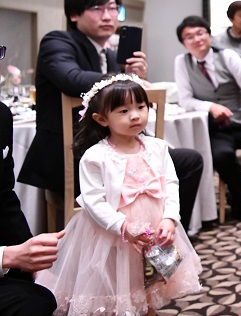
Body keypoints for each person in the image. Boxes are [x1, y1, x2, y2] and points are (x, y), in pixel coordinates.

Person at [17, 0, 203, 232]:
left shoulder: (111, 55)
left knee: (188, 161)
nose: (108, 16)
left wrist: (133, 76)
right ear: (74, 14)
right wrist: (124, 79)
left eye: (113, 8)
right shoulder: (57, 41)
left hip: (117, 150)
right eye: (97, 8)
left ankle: (166, 236)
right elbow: (71, 79)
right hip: (73, 155)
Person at [36, 75, 202, 314]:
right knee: (119, 281)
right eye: (123, 111)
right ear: (102, 119)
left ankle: (149, 309)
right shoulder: (96, 156)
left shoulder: (157, 147)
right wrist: (122, 226)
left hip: (154, 225)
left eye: (141, 107)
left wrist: (169, 218)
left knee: (150, 279)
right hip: (112, 231)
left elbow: (171, 183)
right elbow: (93, 200)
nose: (135, 115)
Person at [175, 15, 241, 221]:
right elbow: (185, 99)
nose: (197, 39)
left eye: (200, 33)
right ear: (183, 43)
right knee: (221, 157)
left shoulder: (228, 56)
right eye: (189, 37)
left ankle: (239, 197)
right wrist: (210, 106)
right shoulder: (182, 62)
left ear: (209, 35)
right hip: (218, 129)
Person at [0, 46, 60, 316]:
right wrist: (6, 256)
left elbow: (4, 197)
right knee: (32, 302)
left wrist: (30, 260)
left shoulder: (1, 116)